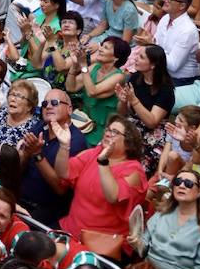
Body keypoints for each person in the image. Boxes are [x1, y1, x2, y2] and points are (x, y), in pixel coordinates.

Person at [54, 116, 147, 257]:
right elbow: (63, 172)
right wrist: (64, 146)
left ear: (129, 144)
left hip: (102, 245)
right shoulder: (94, 153)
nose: (108, 133)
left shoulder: (134, 170)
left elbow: (113, 196)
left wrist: (103, 162)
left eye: (115, 132)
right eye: (108, 130)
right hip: (70, 231)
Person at [18, 87, 87, 228]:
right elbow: (19, 168)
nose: (48, 106)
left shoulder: (76, 141)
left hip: (47, 210)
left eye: (55, 103)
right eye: (44, 104)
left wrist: (37, 155)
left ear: (69, 109)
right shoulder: (41, 126)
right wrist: (25, 153)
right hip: (20, 196)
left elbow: (60, 188)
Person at [116, 45, 175, 173]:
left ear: (153, 65)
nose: (136, 59)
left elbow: (152, 122)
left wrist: (134, 100)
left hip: (154, 132)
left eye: (141, 57)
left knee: (134, 167)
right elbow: (123, 114)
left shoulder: (166, 89)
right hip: (133, 123)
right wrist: (122, 101)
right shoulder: (135, 77)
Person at [154, 0, 200, 86]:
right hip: (163, 72)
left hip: (181, 80)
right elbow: (156, 44)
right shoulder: (165, 18)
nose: (165, 0)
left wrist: (152, 45)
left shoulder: (188, 30)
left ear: (182, 6)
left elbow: (173, 66)